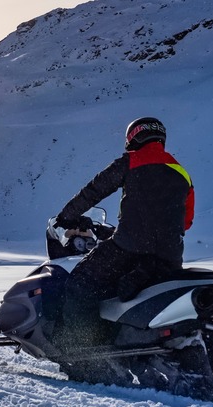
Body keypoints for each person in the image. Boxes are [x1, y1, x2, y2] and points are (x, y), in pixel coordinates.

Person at [53, 117, 194, 350]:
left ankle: (82, 349)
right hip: (169, 256)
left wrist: (67, 215)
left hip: (129, 248)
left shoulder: (131, 161)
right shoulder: (181, 172)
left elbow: (94, 190)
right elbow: (186, 222)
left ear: (133, 137)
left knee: (80, 284)